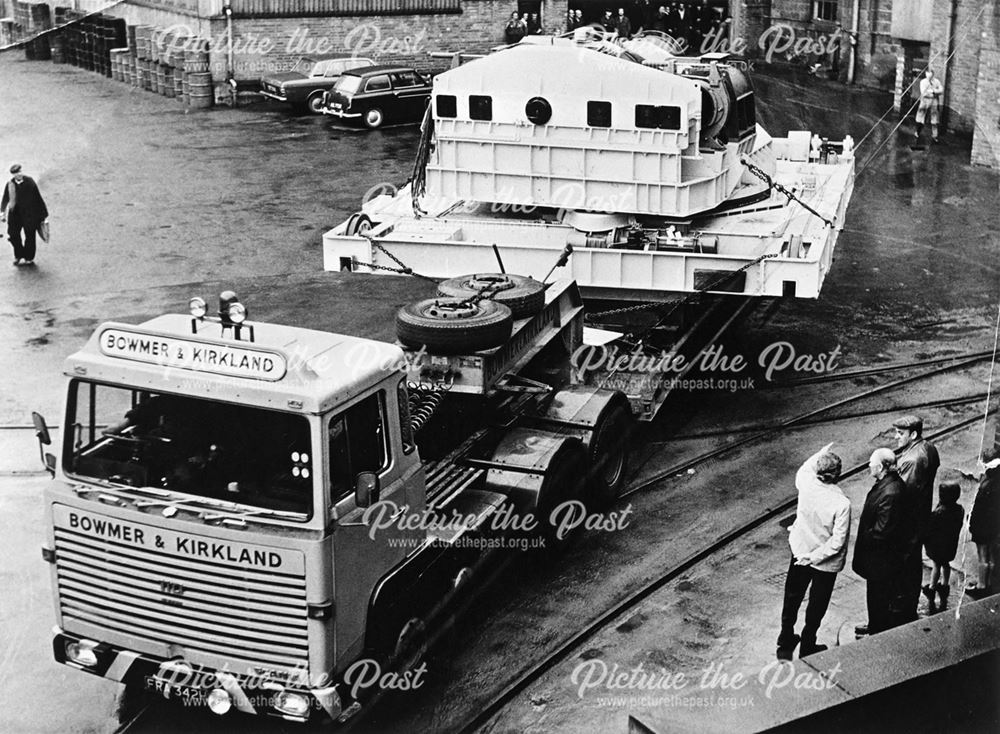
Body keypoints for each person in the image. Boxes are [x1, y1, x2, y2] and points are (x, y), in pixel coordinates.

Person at [776, 443, 851, 660]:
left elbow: (805, 467)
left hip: (801, 551)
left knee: (792, 595)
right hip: (824, 563)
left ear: (819, 471)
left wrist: (820, 452)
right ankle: (808, 643)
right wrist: (815, 557)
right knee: (817, 603)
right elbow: (837, 542)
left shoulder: (806, 483)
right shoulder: (841, 503)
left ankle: (785, 635)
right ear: (837, 475)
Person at [853, 448, 907, 635]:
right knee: (876, 594)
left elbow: (882, 531)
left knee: (879, 595)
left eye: (871, 462)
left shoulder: (890, 492)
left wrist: (866, 532)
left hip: (881, 559)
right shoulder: (887, 484)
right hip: (879, 559)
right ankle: (875, 623)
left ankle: (877, 630)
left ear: (881, 467)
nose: (868, 465)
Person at [893, 414, 940, 623]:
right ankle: (907, 607)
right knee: (912, 564)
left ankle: (902, 611)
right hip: (920, 518)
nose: (896, 437)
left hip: (908, 523)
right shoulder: (928, 448)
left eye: (900, 433)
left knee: (906, 567)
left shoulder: (912, 460)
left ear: (913, 434)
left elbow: (902, 494)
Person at [922, 482, 964, 607]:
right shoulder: (959, 509)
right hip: (950, 545)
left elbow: (930, 528)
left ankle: (932, 587)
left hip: (937, 546)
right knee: (946, 564)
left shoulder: (939, 512)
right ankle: (945, 585)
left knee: (936, 565)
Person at [968, 446, 1000, 599]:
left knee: (982, 555)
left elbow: (979, 509)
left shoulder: (987, 484)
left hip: (983, 525)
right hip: (995, 524)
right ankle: (990, 582)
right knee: (991, 554)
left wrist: (971, 524)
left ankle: (982, 586)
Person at [1, 163, 48, 266]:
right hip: (15, 215)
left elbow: (38, 198)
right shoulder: (10, 184)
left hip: (29, 214)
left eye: (20, 171)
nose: (19, 174)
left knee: (30, 236)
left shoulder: (29, 182)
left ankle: (29, 257)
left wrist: (43, 216)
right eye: (16, 173)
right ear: (13, 175)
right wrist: (2, 212)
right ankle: (19, 254)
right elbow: (5, 198)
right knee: (13, 235)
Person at [915, 68, 944, 143]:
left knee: (934, 120)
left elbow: (941, 90)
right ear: (925, 74)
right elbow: (923, 93)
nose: (929, 78)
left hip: (934, 102)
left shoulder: (936, 81)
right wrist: (933, 93)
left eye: (930, 77)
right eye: (927, 76)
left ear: (933, 75)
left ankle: (935, 136)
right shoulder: (923, 82)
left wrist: (933, 91)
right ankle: (917, 132)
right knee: (920, 118)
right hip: (924, 102)